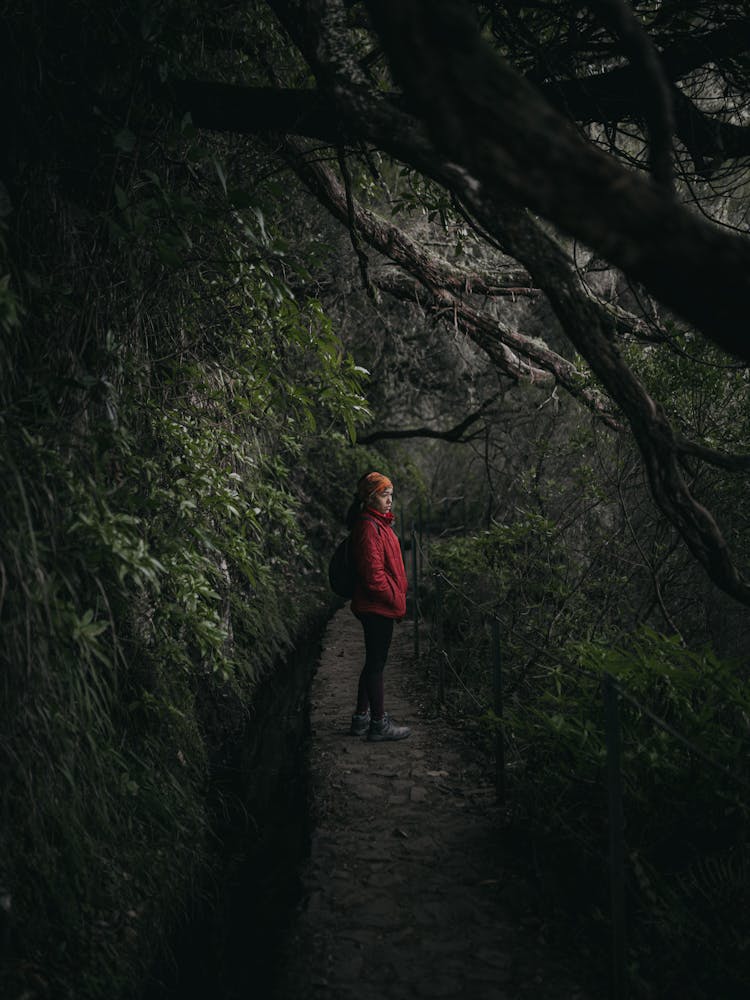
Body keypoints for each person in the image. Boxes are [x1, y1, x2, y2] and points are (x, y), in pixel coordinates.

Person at [346, 471, 411, 742]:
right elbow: (374, 577)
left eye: (391, 495)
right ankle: (378, 723)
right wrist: (397, 598)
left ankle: (362, 718)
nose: (389, 501)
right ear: (371, 498)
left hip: (378, 605)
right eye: (385, 495)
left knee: (373, 662)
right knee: (376, 664)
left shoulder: (379, 523)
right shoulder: (368, 527)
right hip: (377, 607)